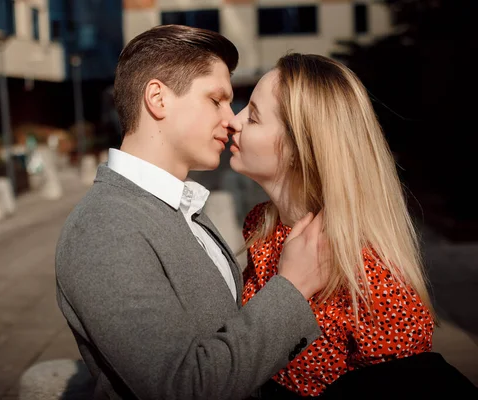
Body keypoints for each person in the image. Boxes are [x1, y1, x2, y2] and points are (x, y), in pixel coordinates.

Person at [55, 26, 329, 400]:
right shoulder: (104, 227)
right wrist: (293, 287)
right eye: (216, 100)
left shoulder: (181, 207)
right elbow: (182, 387)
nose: (231, 120)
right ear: (158, 99)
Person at [229, 53, 441, 398]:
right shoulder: (261, 225)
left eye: (252, 117)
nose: (233, 122)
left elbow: (411, 383)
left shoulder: (365, 270)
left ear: (300, 148)